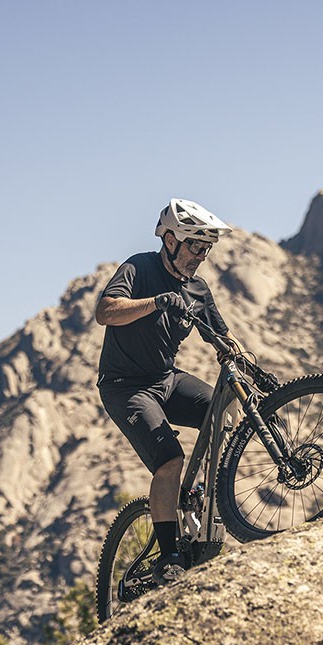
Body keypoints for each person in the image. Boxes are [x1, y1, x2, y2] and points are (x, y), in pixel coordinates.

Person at [95, 198, 239, 584]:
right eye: (196, 246)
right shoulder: (139, 267)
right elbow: (105, 312)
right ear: (171, 239)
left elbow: (222, 338)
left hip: (167, 378)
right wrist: (156, 302)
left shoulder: (197, 289)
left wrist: (241, 361)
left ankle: (203, 496)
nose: (201, 256)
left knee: (224, 408)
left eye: (207, 248)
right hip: (126, 387)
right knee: (169, 460)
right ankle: (168, 556)